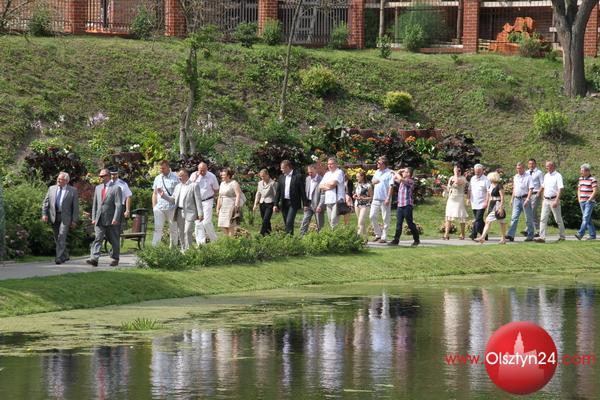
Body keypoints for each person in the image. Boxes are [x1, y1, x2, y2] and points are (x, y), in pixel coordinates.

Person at [157, 168, 203, 250]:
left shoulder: (194, 185)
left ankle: (189, 250)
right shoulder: (178, 186)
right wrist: (163, 196)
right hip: (179, 212)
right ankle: (183, 249)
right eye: (179, 176)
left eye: (181, 176)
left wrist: (200, 213)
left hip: (190, 212)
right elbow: (173, 200)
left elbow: (198, 200)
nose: (179, 178)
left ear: (186, 175)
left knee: (187, 231)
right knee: (181, 232)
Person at [87, 168, 123, 267]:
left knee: (113, 240)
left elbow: (118, 205)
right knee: (98, 238)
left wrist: (116, 218)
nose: (100, 177)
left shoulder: (116, 188)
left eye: (102, 176)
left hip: (111, 219)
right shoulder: (98, 188)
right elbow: (95, 204)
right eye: (100, 176)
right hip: (99, 218)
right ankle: (94, 259)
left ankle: (115, 258)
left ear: (108, 176)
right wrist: (94, 218)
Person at [41, 172, 79, 264]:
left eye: (61, 179)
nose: (58, 180)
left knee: (61, 236)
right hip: (54, 216)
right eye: (58, 178)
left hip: (65, 218)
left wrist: (74, 220)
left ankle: (59, 257)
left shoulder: (72, 191)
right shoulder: (51, 188)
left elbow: (75, 207)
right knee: (57, 238)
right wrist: (44, 214)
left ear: (66, 181)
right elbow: (46, 202)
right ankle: (65, 255)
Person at [190, 162, 220, 245]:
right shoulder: (193, 175)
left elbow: (216, 189)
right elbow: (188, 187)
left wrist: (215, 199)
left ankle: (214, 240)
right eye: (201, 170)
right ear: (198, 169)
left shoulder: (211, 176)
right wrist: (196, 178)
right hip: (196, 202)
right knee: (198, 223)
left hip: (207, 200)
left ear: (207, 169)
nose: (202, 172)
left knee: (206, 222)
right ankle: (201, 243)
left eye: (204, 170)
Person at [388, 167, 420, 246]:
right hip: (400, 205)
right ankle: (396, 240)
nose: (403, 173)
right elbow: (394, 178)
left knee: (410, 223)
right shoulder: (402, 181)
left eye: (405, 172)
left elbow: (400, 178)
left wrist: (396, 172)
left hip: (407, 205)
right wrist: (399, 171)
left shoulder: (410, 181)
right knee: (398, 223)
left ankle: (416, 240)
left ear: (408, 174)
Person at [151, 160, 180, 247]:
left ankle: (173, 248)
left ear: (168, 167)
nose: (161, 170)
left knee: (173, 229)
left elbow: (179, 192)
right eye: (160, 168)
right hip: (159, 208)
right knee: (157, 229)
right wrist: (154, 207)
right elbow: (154, 193)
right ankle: (154, 249)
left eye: (163, 168)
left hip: (172, 207)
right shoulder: (157, 178)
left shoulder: (176, 178)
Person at [536, 161, 566, 243]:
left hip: (554, 200)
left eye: (548, 166)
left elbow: (560, 188)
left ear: (552, 166)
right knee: (543, 219)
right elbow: (543, 186)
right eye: (546, 166)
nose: (546, 167)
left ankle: (562, 236)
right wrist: (539, 192)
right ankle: (542, 237)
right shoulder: (546, 175)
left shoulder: (558, 175)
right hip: (546, 200)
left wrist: (556, 200)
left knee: (558, 219)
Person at [274, 160, 306, 235]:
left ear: (287, 167)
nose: (281, 170)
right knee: (287, 222)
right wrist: (275, 204)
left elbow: (302, 191)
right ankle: (290, 238)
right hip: (284, 202)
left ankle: (288, 238)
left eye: (282, 168)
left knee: (289, 221)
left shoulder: (298, 176)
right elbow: (278, 192)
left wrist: (305, 204)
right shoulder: (281, 177)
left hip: (293, 203)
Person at [505, 162, 535, 242]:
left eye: (520, 168)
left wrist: (528, 199)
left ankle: (530, 235)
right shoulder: (515, 177)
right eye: (517, 168)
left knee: (528, 218)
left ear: (523, 168)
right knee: (514, 217)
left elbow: (531, 189)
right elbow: (514, 188)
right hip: (517, 199)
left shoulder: (528, 177)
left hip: (525, 199)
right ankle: (511, 235)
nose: (518, 170)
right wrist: (512, 199)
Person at [477, 171, 507, 244]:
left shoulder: (499, 186)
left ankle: (503, 238)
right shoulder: (490, 186)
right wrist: (488, 208)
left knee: (502, 222)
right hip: (492, 204)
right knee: (488, 221)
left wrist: (501, 208)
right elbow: (490, 197)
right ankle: (483, 237)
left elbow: (502, 197)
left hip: (498, 204)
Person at [370, 156, 394, 243]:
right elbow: (372, 181)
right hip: (376, 198)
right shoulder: (377, 172)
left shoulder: (390, 173)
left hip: (385, 198)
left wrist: (388, 198)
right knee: (372, 216)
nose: (377, 164)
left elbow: (391, 186)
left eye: (379, 163)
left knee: (385, 218)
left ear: (384, 164)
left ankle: (384, 237)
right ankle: (378, 234)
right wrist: (374, 182)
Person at [443, 165, 468, 240]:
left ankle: (462, 234)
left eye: (459, 170)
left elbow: (457, 183)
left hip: (459, 198)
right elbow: (449, 188)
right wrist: (445, 188)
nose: (458, 172)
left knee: (461, 216)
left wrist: (456, 174)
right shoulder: (451, 178)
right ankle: (446, 234)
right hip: (451, 198)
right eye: (456, 170)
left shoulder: (463, 178)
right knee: (448, 216)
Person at [319, 157, 345, 229]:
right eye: (328, 164)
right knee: (330, 221)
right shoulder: (327, 174)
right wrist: (329, 186)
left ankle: (335, 235)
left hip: (337, 199)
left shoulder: (339, 172)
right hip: (328, 200)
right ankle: (335, 234)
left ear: (336, 164)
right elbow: (320, 186)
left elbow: (333, 183)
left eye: (331, 164)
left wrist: (326, 184)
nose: (329, 166)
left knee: (334, 221)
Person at [217, 168, 243, 237]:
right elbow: (219, 196)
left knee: (230, 225)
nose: (222, 176)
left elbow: (238, 194)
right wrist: (217, 208)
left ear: (228, 175)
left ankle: (231, 240)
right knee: (222, 224)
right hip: (223, 206)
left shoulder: (234, 183)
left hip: (231, 206)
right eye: (222, 175)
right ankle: (227, 239)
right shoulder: (222, 184)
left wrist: (236, 207)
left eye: (224, 175)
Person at [468, 164, 490, 241]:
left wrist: (486, 202)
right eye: (476, 171)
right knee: (479, 220)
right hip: (474, 202)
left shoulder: (486, 179)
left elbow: (488, 192)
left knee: (477, 219)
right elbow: (469, 189)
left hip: (482, 203)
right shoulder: (472, 178)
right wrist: (468, 199)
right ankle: (485, 235)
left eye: (478, 171)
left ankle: (473, 234)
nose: (477, 173)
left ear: (482, 171)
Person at [300, 164, 325, 235]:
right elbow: (305, 192)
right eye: (309, 172)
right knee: (305, 221)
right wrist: (305, 204)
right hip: (308, 204)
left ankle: (321, 238)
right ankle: (302, 237)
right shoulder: (307, 179)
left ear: (316, 170)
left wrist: (320, 205)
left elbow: (323, 194)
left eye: (311, 172)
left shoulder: (321, 179)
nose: (310, 174)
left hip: (318, 205)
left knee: (319, 224)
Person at [575, 163, 597, 240]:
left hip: (589, 202)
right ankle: (592, 235)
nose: (581, 172)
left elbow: (595, 191)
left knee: (585, 218)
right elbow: (579, 189)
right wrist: (579, 199)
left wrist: (589, 200)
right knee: (588, 219)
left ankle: (580, 234)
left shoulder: (593, 179)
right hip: (582, 201)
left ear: (587, 171)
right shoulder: (580, 179)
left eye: (582, 171)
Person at [253, 169, 278, 236]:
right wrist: (255, 204)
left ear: (267, 175)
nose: (262, 178)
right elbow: (258, 194)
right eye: (261, 176)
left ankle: (261, 234)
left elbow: (276, 195)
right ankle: (269, 234)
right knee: (266, 220)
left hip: (270, 203)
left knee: (265, 219)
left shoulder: (273, 183)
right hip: (262, 203)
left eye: (263, 176)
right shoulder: (260, 183)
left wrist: (276, 205)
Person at [109, 167, 132, 233]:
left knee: (118, 227)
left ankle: (118, 237)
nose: (113, 176)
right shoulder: (107, 183)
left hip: (119, 207)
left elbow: (128, 196)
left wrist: (127, 210)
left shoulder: (123, 184)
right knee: (108, 226)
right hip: (109, 207)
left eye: (115, 174)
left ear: (118, 174)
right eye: (112, 174)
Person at [525, 158, 544, 236]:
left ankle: (527, 229)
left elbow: (542, 184)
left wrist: (539, 193)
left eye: (532, 164)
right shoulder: (526, 172)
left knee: (531, 211)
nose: (531, 165)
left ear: (535, 164)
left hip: (535, 194)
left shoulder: (539, 172)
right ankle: (538, 230)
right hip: (528, 195)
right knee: (533, 213)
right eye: (530, 164)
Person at [353, 171, 373, 237]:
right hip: (357, 204)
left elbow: (371, 197)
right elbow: (355, 193)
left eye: (358, 177)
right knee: (361, 221)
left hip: (365, 205)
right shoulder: (356, 184)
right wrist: (354, 196)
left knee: (360, 221)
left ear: (362, 177)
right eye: (356, 177)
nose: (357, 178)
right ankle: (365, 237)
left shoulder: (368, 185)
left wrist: (364, 198)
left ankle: (358, 237)